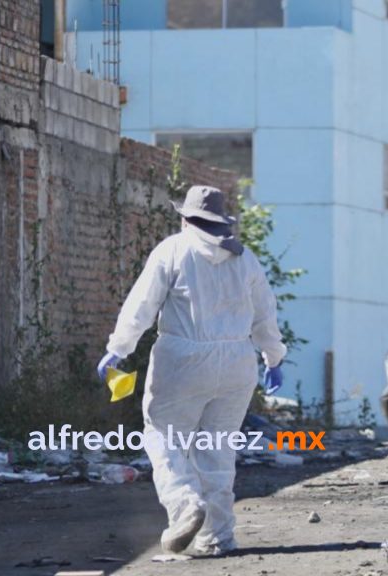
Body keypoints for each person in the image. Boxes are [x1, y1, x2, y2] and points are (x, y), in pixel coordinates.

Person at [98, 185, 286, 557]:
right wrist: (273, 357)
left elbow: (141, 306)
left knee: (163, 437)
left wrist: (117, 349)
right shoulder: (243, 258)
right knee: (217, 449)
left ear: (185, 218)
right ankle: (218, 536)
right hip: (237, 363)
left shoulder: (173, 250)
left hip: (182, 359)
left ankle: (184, 504)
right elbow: (265, 313)